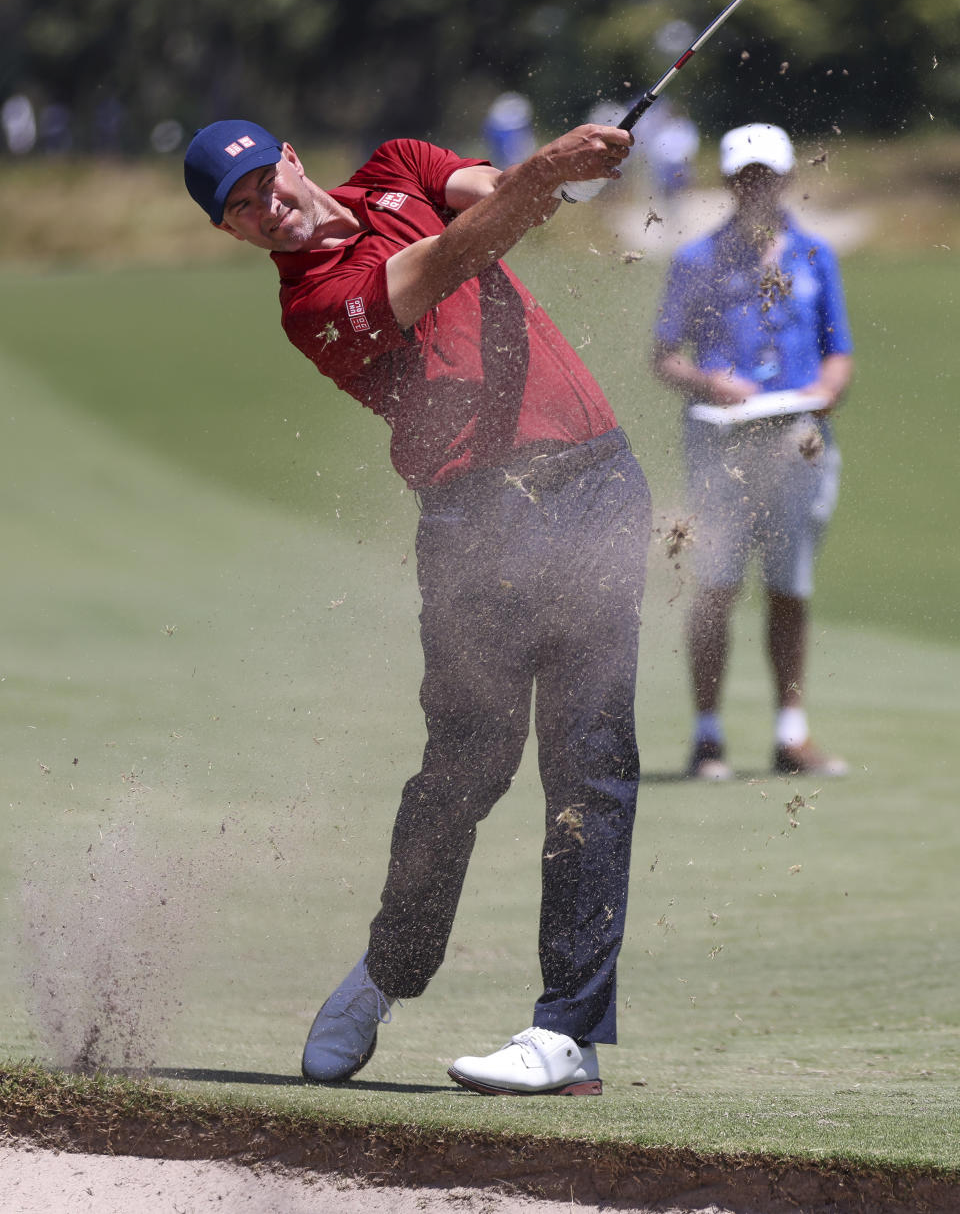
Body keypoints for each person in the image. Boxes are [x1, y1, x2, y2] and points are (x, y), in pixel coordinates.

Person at [184, 117, 652, 1095]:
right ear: (230, 234)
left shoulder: (397, 168)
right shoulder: (312, 304)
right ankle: (387, 972)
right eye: (239, 210)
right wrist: (550, 173)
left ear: (292, 160)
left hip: (600, 483)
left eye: (265, 182)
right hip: (477, 520)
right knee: (465, 770)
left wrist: (569, 176)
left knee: (592, 765)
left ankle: (567, 1036)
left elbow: (494, 197)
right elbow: (455, 256)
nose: (265, 209)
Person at [651, 123, 853, 781]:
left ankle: (790, 734)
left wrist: (828, 387)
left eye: (766, 175)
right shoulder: (697, 258)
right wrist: (710, 380)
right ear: (729, 182)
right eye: (745, 176)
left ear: (787, 178)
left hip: (797, 435)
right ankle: (707, 735)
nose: (755, 187)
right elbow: (664, 356)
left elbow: (839, 353)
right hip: (721, 438)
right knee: (715, 584)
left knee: (788, 586)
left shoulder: (815, 255)